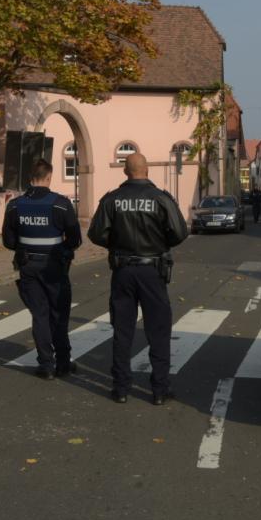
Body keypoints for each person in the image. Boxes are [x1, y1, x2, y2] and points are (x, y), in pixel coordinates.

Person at [88, 152, 188, 405]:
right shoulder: (161, 199)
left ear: (125, 171)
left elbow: (96, 233)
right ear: (147, 170)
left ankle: (121, 388)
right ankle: (159, 390)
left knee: (123, 330)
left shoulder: (112, 200)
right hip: (153, 270)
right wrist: (159, 243)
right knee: (158, 329)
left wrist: (116, 244)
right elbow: (179, 232)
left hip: (123, 270)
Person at [2, 159, 82, 380]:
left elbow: (8, 241)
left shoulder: (15, 205)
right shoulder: (61, 203)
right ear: (49, 177)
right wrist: (62, 249)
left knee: (39, 315)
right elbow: (75, 239)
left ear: (30, 178)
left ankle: (46, 365)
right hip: (54, 267)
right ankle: (64, 363)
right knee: (59, 314)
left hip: (28, 266)